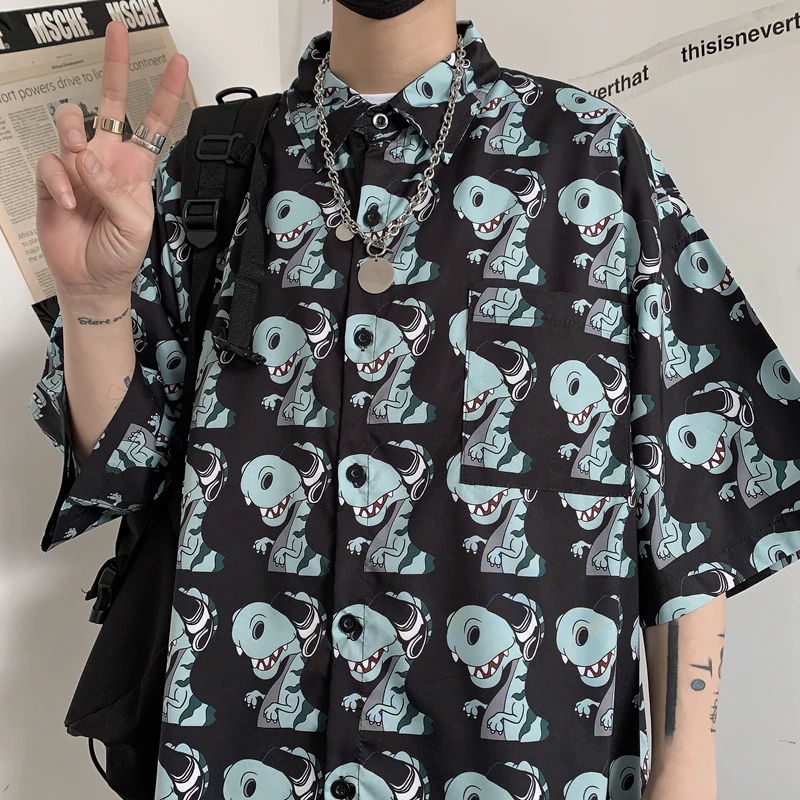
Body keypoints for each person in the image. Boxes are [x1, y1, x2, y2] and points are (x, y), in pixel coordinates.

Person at [30, 1, 800, 798]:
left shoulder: (590, 156)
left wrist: (687, 771)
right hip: (244, 761)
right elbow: (122, 469)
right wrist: (93, 296)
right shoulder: (216, 170)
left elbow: (697, 495)